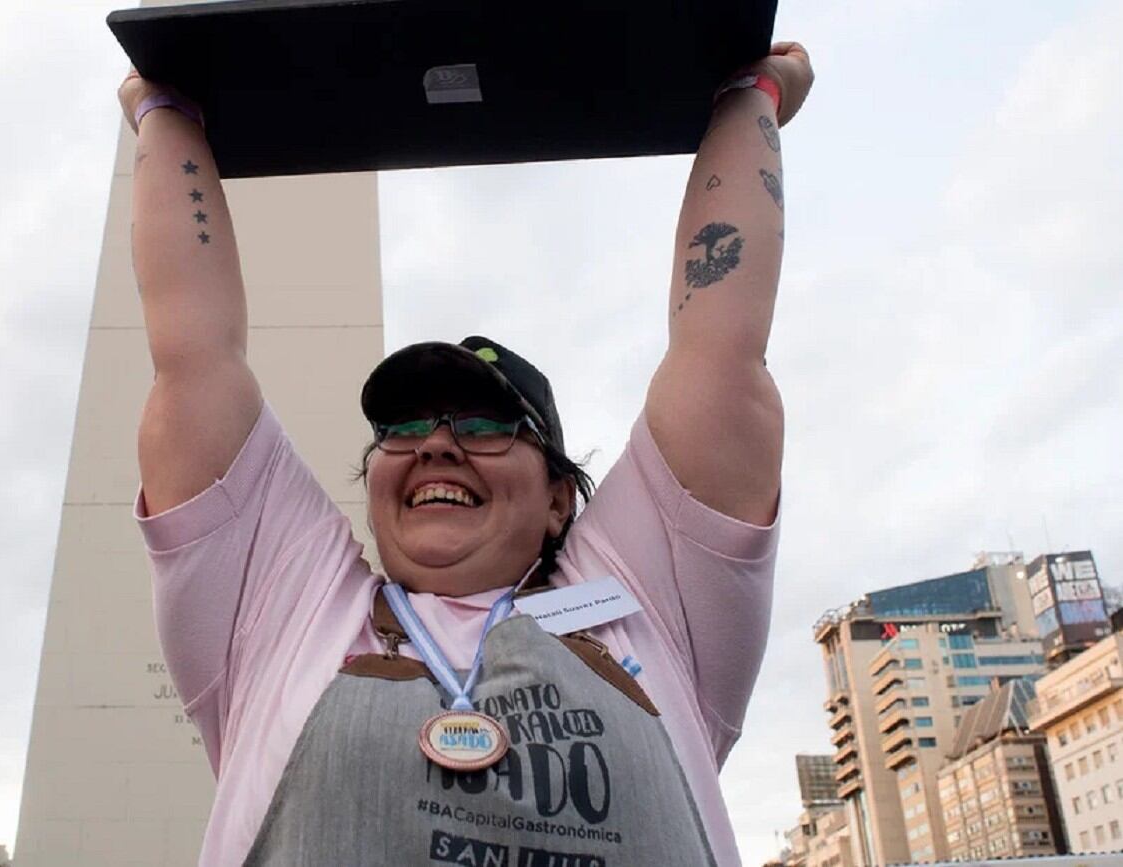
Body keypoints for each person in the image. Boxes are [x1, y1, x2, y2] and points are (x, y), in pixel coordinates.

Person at [121, 41, 813, 866]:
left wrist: (752, 94)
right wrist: (165, 113)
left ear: (561, 499)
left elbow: (721, 353)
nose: (438, 445)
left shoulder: (641, 597)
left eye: (485, 426)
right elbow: (193, 358)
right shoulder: (285, 605)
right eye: (404, 429)